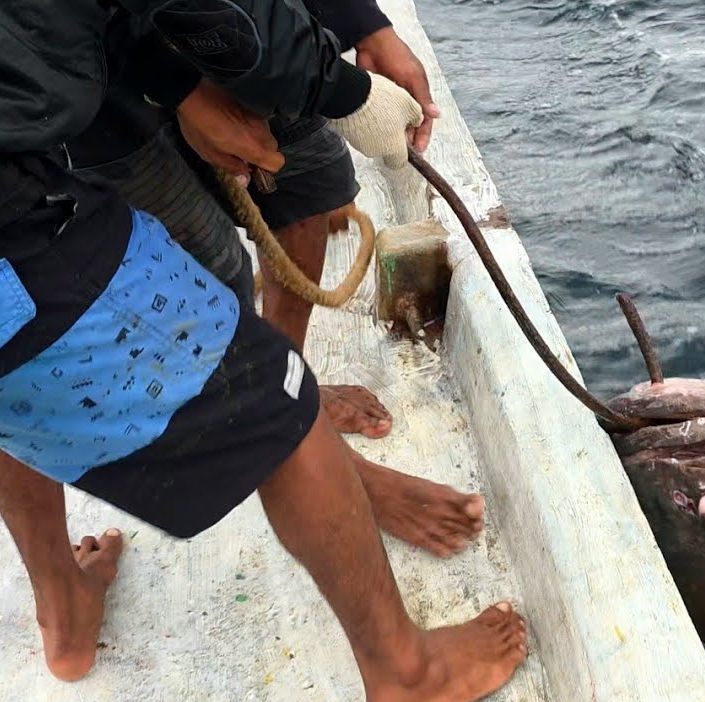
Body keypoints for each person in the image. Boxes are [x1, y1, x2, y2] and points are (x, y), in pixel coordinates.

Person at [0, 1, 527, 702]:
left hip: (19, 140)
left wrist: (189, 81)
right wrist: (351, 95)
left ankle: (64, 609)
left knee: (7, 375)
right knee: (275, 393)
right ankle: (406, 673)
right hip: (8, 205)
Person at [68, 0, 441, 441]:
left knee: (309, 175)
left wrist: (367, 25)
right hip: (86, 63)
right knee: (218, 264)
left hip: (215, 30)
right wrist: (184, 87)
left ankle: (281, 392)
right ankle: (228, 408)